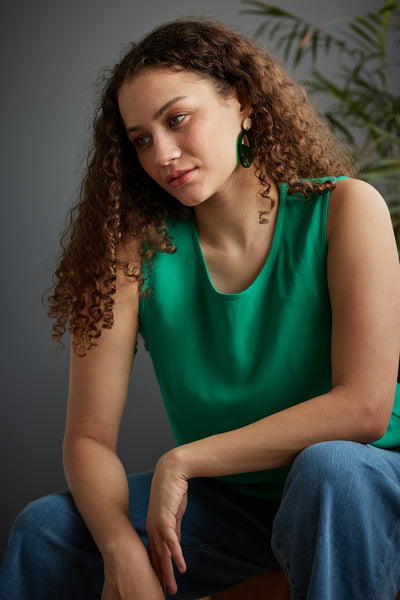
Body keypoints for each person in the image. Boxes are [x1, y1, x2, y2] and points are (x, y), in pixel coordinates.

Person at [1, 17, 399, 600]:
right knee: (45, 532)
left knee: (329, 469)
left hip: (363, 483)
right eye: (141, 139)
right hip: (235, 502)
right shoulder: (134, 256)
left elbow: (364, 408)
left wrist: (185, 461)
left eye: (177, 119)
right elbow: (88, 437)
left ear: (243, 102)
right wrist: (120, 548)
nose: (162, 154)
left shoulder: (344, 208)